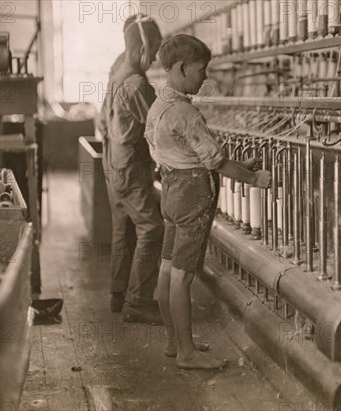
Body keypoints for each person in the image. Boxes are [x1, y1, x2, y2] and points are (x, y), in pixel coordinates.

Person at [144, 34, 272, 369]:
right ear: (184, 68)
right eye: (202, 70)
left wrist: (239, 166)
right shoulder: (186, 113)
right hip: (192, 197)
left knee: (168, 267)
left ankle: (174, 342)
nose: (205, 77)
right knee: (183, 277)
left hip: (171, 191)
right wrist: (256, 179)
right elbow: (213, 162)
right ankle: (187, 354)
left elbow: (184, 155)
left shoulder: (159, 107)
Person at [97, 15, 164, 324]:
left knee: (123, 228)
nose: (154, 60)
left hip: (112, 161)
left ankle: (117, 293)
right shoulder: (137, 84)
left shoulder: (117, 71)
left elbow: (102, 122)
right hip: (131, 166)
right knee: (152, 228)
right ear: (141, 50)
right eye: (153, 52)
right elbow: (158, 127)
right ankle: (138, 303)